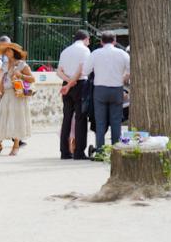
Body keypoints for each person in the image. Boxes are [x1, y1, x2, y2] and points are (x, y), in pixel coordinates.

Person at [82, 31, 130, 152]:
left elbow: (85, 71)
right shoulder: (123, 54)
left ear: (101, 41)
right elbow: (130, 70)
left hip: (100, 90)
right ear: (115, 41)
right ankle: (116, 149)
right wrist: (123, 79)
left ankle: (100, 149)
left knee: (100, 121)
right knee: (116, 120)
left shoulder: (95, 53)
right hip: (117, 89)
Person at [0, 42, 34, 156]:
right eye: (5, 51)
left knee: (16, 119)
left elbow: (32, 79)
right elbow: (2, 81)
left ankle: (16, 145)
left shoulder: (22, 65)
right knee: (1, 118)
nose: (6, 53)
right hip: (6, 95)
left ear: (14, 52)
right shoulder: (5, 65)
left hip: (17, 96)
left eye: (9, 50)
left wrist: (20, 75)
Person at [56, 29, 91, 159]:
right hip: (80, 84)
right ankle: (79, 152)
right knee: (80, 118)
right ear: (86, 39)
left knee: (67, 117)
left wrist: (67, 82)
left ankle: (64, 151)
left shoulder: (65, 51)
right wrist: (71, 83)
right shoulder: (85, 50)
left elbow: (58, 71)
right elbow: (82, 69)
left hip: (65, 85)